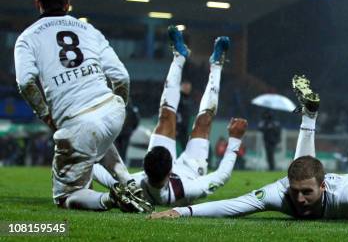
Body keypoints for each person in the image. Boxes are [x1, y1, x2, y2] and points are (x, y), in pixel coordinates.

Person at [149, 76, 348, 226]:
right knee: (300, 171)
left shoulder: (347, 192)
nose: (299, 199)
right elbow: (233, 206)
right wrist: (180, 211)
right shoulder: (282, 191)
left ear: (323, 188)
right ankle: (310, 116)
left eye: (307, 192)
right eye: (295, 192)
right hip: (315, 176)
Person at [13, 0, 150, 212]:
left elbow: (26, 82)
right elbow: (122, 77)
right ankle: (127, 181)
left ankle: (111, 199)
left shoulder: (27, 38)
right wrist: (120, 107)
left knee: (66, 196)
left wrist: (46, 114)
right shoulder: (88, 30)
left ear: (38, 3)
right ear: (68, 4)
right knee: (97, 133)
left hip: (77, 122)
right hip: (112, 110)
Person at [93, 26, 247, 206]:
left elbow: (99, 171)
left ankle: (179, 56)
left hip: (159, 167)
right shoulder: (188, 189)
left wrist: (74, 142)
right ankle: (217, 65)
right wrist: (235, 139)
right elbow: (222, 176)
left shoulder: (132, 184)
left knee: (166, 116)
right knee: (203, 122)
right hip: (191, 170)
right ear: (169, 173)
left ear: (144, 168)